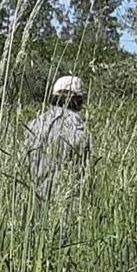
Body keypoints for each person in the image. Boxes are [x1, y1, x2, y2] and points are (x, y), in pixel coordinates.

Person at [25, 74, 91, 204]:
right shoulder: (80, 129)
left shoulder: (33, 124)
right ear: (79, 100)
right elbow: (85, 171)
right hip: (68, 201)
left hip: (35, 198)